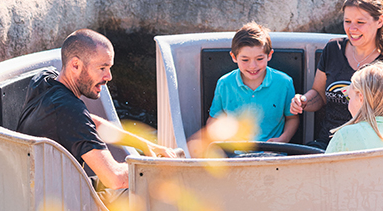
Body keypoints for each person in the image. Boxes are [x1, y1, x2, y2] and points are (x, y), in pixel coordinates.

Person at [17, 29, 176, 201]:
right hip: (65, 207)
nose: (109, 77)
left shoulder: (45, 82)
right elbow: (115, 178)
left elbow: (92, 122)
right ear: (75, 65)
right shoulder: (69, 110)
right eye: (102, 68)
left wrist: (145, 145)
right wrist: (159, 168)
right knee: (153, 192)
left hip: (43, 191)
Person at [290, 0, 383, 149]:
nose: (352, 29)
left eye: (360, 22)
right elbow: (319, 94)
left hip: (371, 145)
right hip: (328, 143)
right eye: (347, 21)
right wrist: (304, 101)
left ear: (380, 21)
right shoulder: (333, 49)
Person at [208, 22, 299, 143]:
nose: (253, 66)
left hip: (273, 154)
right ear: (234, 57)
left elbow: (292, 118)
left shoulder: (284, 82)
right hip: (234, 155)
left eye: (259, 59)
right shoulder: (224, 83)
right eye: (245, 60)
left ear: (269, 55)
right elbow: (214, 119)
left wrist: (283, 139)